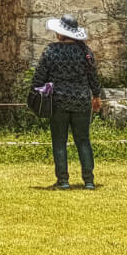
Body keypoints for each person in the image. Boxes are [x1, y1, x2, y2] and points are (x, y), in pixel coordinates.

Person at [31, 15, 103, 190]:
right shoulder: (85, 52)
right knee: (83, 140)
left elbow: (39, 78)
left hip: (59, 102)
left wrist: (37, 91)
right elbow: (93, 77)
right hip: (81, 101)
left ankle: (63, 180)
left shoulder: (51, 51)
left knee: (59, 141)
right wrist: (96, 95)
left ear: (61, 33)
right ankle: (89, 180)